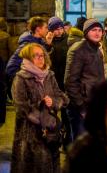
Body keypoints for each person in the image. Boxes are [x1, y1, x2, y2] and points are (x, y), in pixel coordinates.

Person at [11, 43, 69, 173]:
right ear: (27, 58)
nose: (40, 58)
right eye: (35, 56)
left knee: (52, 165)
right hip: (30, 134)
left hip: (51, 133)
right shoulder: (21, 78)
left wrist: (53, 102)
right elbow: (21, 107)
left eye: (42, 55)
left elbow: (62, 97)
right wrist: (41, 111)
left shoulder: (50, 75)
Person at [64, 18, 105, 140]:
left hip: (94, 104)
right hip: (80, 107)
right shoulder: (78, 49)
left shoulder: (97, 49)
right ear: (86, 32)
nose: (97, 33)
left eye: (99, 30)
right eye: (93, 30)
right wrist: (81, 107)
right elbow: (70, 82)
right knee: (80, 145)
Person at [47, 16, 72, 148]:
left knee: (66, 113)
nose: (59, 31)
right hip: (51, 83)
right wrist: (48, 44)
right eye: (56, 29)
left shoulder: (68, 41)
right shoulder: (47, 42)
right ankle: (53, 139)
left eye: (61, 28)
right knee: (51, 113)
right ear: (50, 30)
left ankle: (67, 139)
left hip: (64, 81)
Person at [6, 16, 52, 84]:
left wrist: (48, 44)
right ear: (38, 29)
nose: (47, 30)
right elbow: (11, 68)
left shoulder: (39, 41)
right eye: (45, 27)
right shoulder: (27, 45)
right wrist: (24, 81)